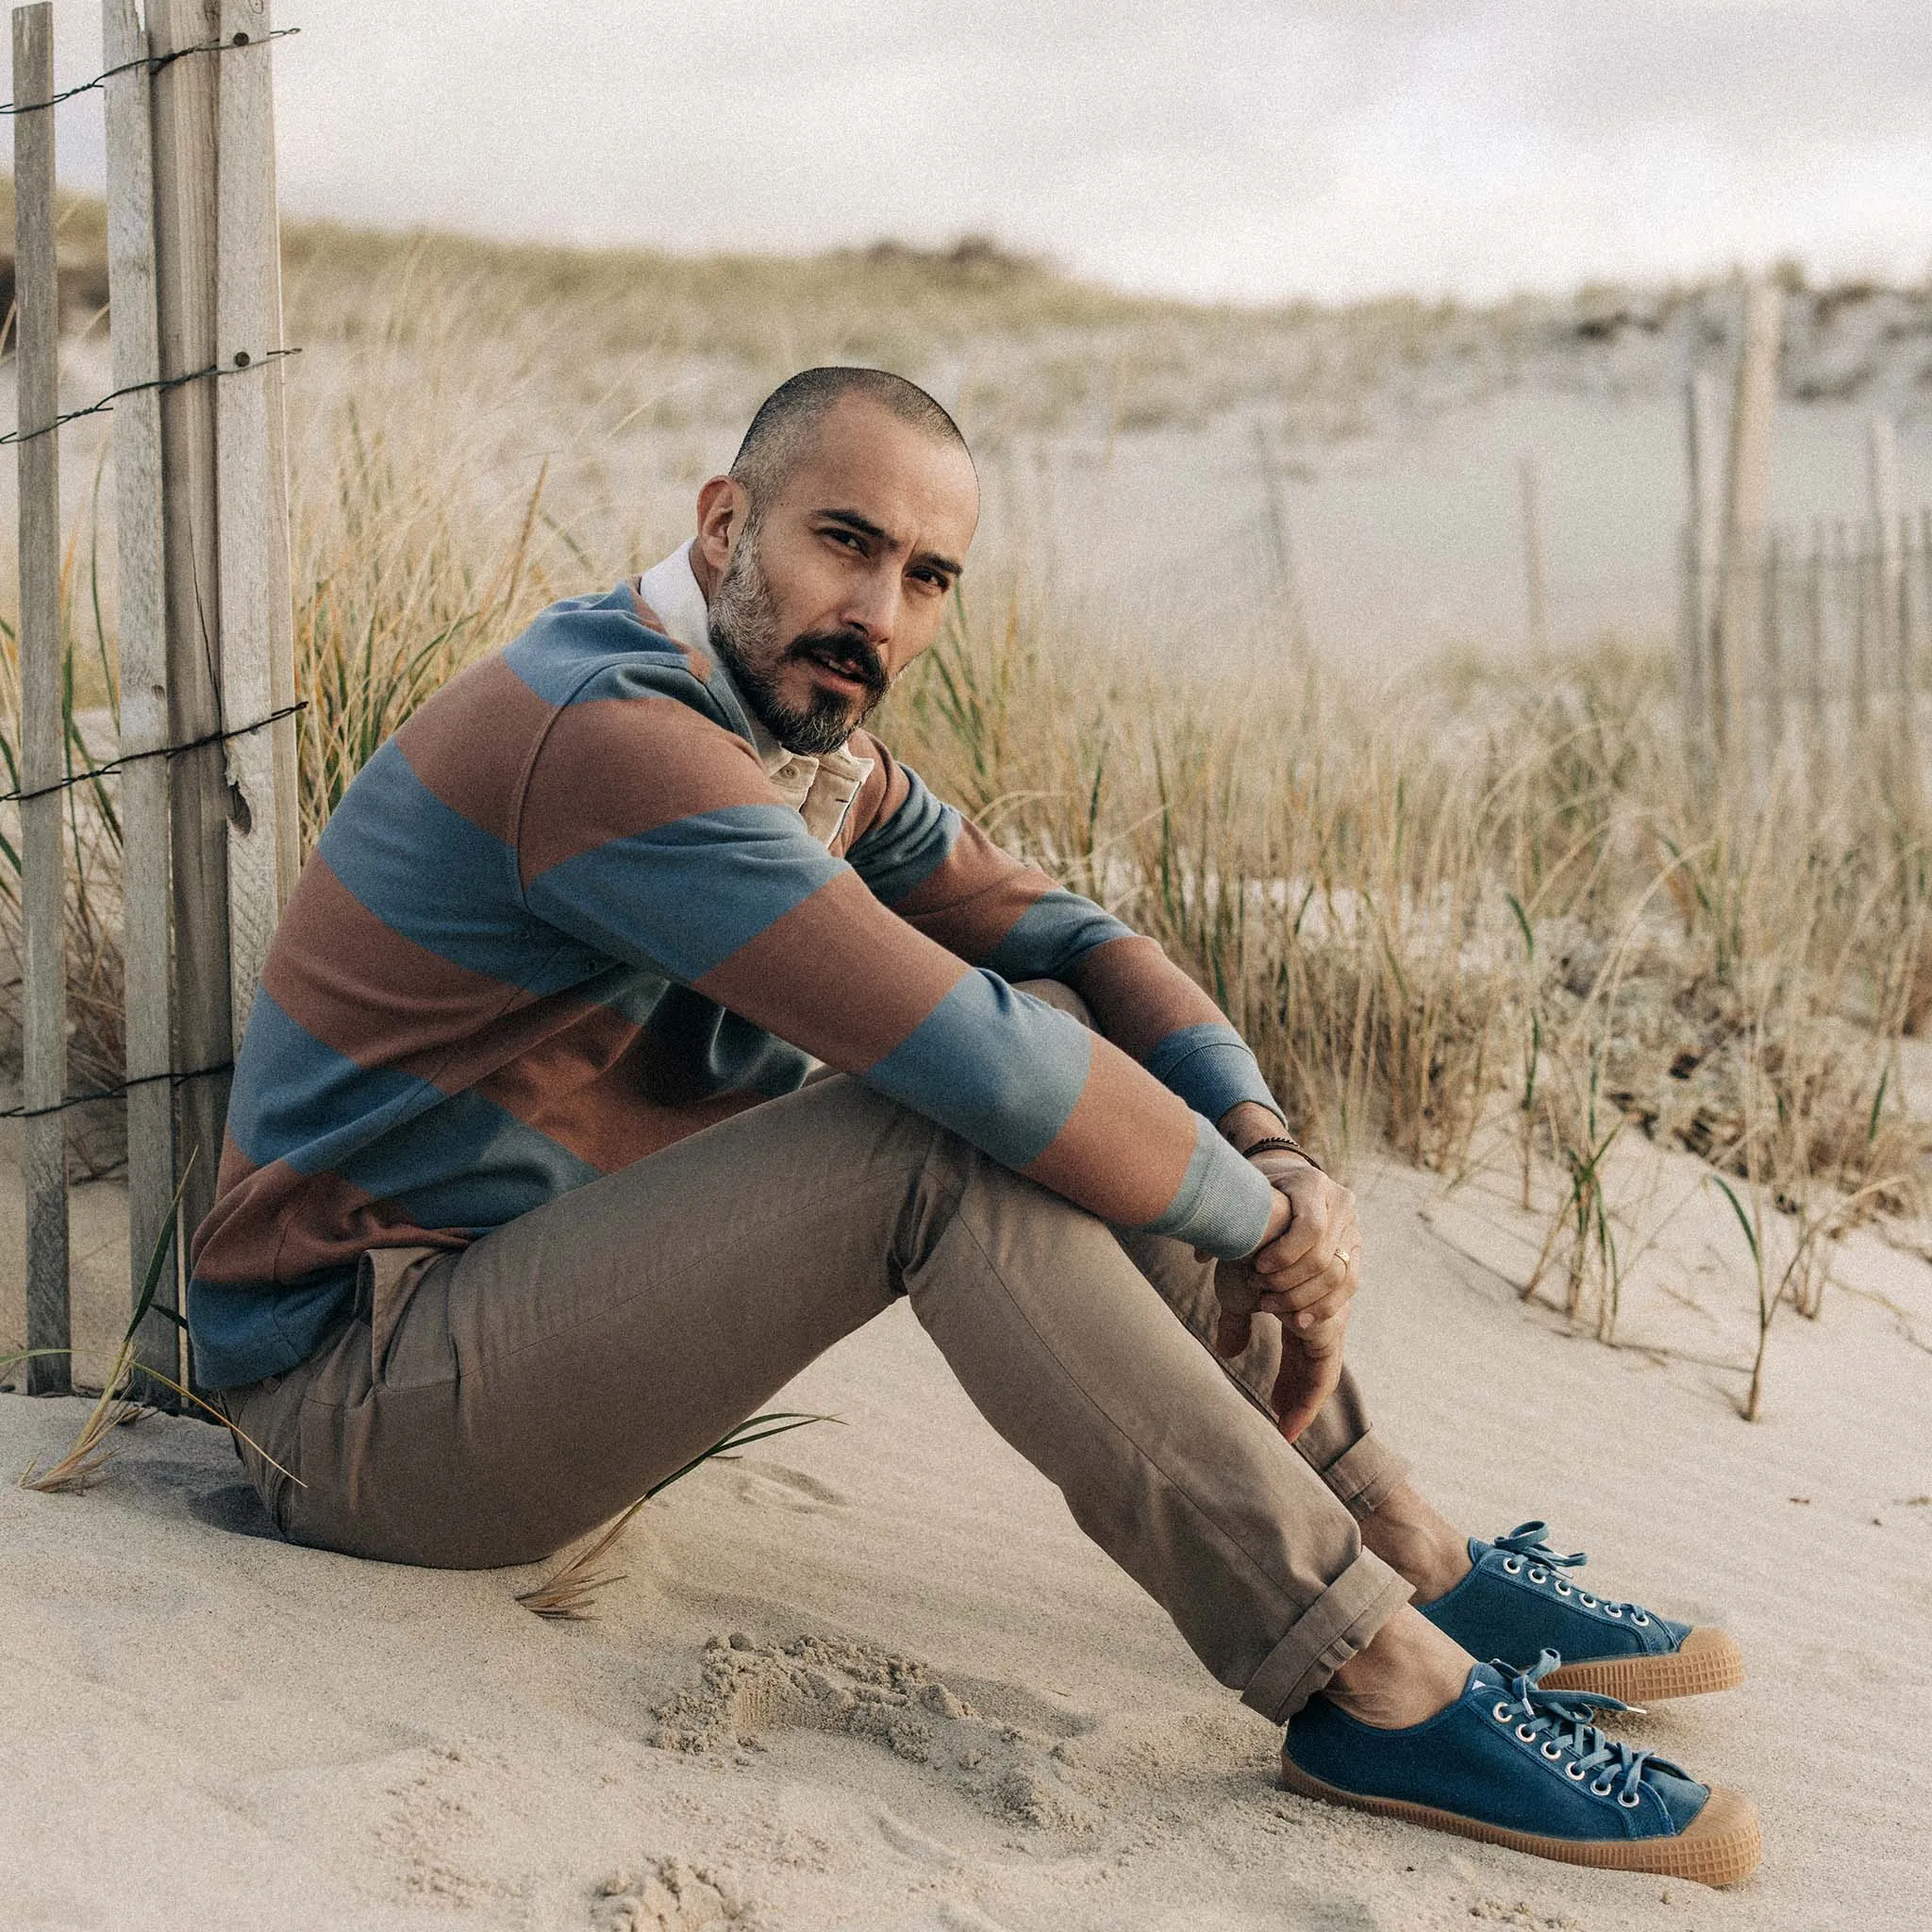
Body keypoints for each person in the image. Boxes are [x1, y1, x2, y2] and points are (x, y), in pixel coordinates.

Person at [192, 367, 1758, 1887]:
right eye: (846, 543)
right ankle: (1366, 1677)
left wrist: (1268, 1146)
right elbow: (973, 1068)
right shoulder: (609, 733)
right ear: (727, 524)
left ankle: (1391, 1531)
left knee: (1067, 1045)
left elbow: (1076, 945)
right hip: (350, 1405)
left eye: (929, 577)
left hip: (520, 1332)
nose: (881, 614)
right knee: (943, 1136)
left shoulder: (813, 753)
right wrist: (1271, 1228)